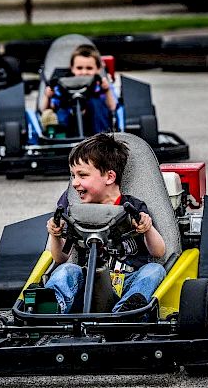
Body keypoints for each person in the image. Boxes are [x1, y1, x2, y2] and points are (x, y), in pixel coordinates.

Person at [45, 133, 166, 314]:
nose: (75, 183)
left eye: (82, 175)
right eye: (72, 176)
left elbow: (158, 252)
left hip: (127, 281)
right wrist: (55, 235)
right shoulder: (75, 212)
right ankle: (51, 306)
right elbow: (60, 257)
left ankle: (127, 312)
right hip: (88, 283)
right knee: (67, 270)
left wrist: (147, 229)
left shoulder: (133, 208)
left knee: (154, 270)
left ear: (109, 177)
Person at [40, 44, 118, 135]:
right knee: (61, 109)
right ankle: (59, 139)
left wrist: (107, 90)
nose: (84, 72)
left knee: (95, 103)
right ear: (72, 68)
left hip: (97, 127)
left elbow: (113, 107)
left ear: (98, 69)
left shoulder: (101, 85)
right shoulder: (62, 84)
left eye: (89, 68)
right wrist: (47, 96)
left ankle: (102, 139)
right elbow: (47, 109)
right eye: (79, 68)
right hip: (69, 126)